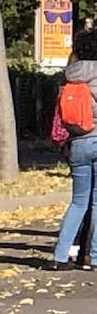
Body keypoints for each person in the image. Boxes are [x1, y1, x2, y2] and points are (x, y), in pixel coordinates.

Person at [50, 28, 97, 270]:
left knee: (78, 201)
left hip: (77, 142)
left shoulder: (69, 76)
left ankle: (60, 254)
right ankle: (95, 256)